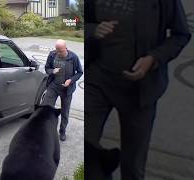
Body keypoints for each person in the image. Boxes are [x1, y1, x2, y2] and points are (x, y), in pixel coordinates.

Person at [86, 0, 191, 179]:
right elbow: (69, 21)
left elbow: (181, 34)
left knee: (133, 166)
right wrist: (91, 30)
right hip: (97, 82)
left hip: (140, 92)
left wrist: (153, 58)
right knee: (85, 148)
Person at [42, 39, 83, 141]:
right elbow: (47, 68)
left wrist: (71, 80)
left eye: (61, 51)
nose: (59, 53)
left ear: (66, 48)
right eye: (57, 51)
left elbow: (80, 72)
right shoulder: (52, 55)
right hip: (53, 86)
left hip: (67, 89)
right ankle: (46, 130)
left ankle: (62, 131)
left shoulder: (73, 57)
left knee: (65, 112)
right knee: (46, 108)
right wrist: (52, 71)